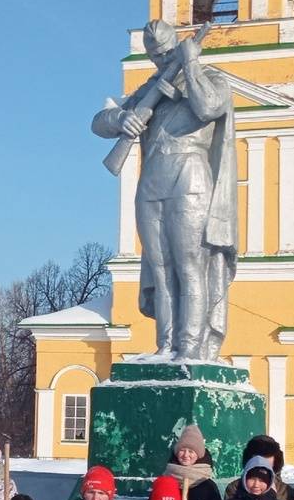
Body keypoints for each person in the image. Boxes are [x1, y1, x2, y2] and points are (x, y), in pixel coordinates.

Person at [90, 18, 238, 361]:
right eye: (156, 56)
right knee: (160, 268)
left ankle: (189, 349)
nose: (161, 60)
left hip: (191, 176)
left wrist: (190, 64)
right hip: (152, 180)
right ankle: (165, 346)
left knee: (189, 266)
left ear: (179, 46)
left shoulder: (211, 78)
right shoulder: (149, 88)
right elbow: (99, 121)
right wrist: (120, 120)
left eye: (167, 52)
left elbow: (208, 107)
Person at [162, 424, 224, 500]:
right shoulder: (165, 483)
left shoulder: (208, 486)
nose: (186, 455)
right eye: (182, 450)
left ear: (198, 454)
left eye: (191, 451)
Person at [223, 435, 292, 500]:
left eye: (266, 457)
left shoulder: (285, 491)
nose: (262, 462)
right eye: (258, 457)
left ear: (275, 460)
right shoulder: (235, 488)